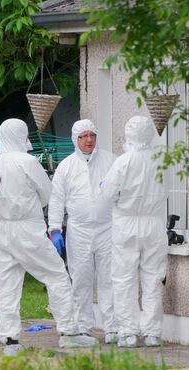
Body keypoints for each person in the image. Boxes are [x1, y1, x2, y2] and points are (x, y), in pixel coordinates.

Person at [0, 118, 98, 354]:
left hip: (2, 229)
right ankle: (68, 332)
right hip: (28, 228)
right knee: (56, 276)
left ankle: (10, 340)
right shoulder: (28, 161)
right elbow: (47, 193)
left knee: (5, 285)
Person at [100, 115, 168, 348]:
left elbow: (108, 193)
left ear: (129, 134)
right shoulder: (160, 160)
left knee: (124, 279)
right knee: (153, 278)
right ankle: (152, 333)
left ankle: (128, 331)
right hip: (154, 224)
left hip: (126, 224)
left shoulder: (123, 161)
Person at [48, 119, 118, 344]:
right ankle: (83, 327)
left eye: (91, 135)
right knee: (80, 280)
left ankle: (113, 328)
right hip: (79, 230)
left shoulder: (110, 161)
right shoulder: (66, 167)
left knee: (110, 279)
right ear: (75, 139)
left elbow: (122, 192)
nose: (88, 140)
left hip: (108, 228)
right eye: (83, 136)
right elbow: (57, 199)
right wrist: (55, 228)